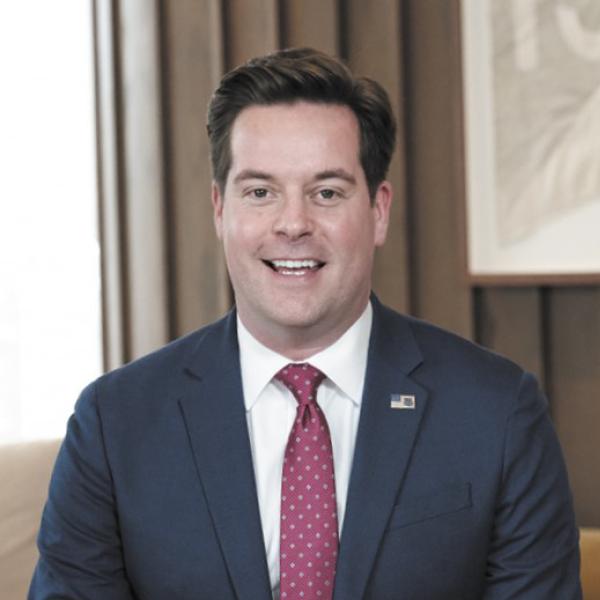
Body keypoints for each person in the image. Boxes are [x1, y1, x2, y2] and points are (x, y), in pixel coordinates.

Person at [30, 48, 581, 599]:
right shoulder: (114, 424)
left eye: (327, 193)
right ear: (221, 210)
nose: (293, 223)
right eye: (261, 192)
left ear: (378, 211)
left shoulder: (497, 412)